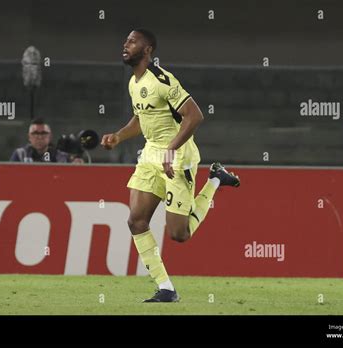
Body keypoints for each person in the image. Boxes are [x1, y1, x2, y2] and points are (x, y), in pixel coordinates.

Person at [101, 29, 240, 302]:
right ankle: (166, 288)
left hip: (178, 157)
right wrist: (118, 136)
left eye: (132, 40)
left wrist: (171, 149)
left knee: (179, 234)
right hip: (152, 153)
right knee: (136, 220)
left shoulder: (162, 80)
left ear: (148, 49)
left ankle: (215, 179)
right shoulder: (134, 82)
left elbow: (195, 116)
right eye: (125, 40)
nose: (125, 44)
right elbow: (141, 119)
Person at [10, 118, 83, 163]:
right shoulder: (20, 154)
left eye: (43, 133)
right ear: (29, 137)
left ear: (50, 136)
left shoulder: (61, 157)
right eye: (35, 133)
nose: (39, 137)